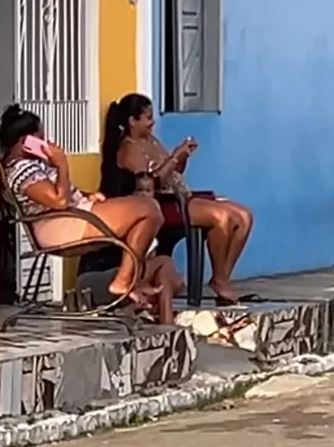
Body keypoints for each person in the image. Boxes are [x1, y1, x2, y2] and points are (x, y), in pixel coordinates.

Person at [0, 104, 164, 306]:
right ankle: (123, 281)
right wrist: (61, 163)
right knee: (148, 209)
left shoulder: (34, 164)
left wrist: (86, 195)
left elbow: (63, 193)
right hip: (60, 226)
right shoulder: (20, 171)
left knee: (149, 214)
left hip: (74, 216)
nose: (45, 142)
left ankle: (130, 281)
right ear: (25, 142)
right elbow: (59, 201)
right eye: (40, 138)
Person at [100, 93, 254, 304]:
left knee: (244, 217)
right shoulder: (128, 149)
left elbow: (174, 172)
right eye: (147, 118)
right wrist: (174, 157)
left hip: (181, 196)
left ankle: (222, 277)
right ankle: (219, 278)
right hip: (162, 204)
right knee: (221, 217)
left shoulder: (152, 141)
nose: (152, 122)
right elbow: (151, 183)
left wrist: (183, 156)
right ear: (132, 121)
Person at [77, 172, 184, 323]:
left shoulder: (151, 226)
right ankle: (166, 322)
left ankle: (154, 317)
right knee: (165, 263)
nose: (144, 196)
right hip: (96, 281)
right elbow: (132, 268)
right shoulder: (125, 220)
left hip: (125, 281)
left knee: (174, 280)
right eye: (139, 191)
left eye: (148, 191)